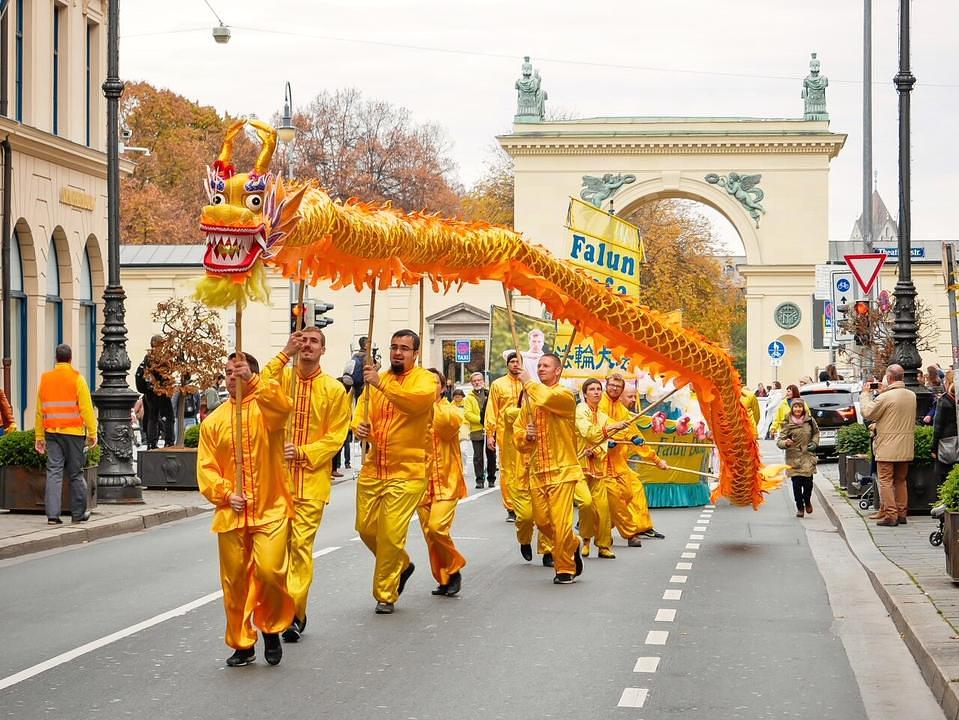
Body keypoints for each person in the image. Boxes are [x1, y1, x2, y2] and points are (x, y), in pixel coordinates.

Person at [196, 352, 294, 667]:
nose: (231, 377)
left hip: (271, 509)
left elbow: (282, 406)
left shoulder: (268, 411)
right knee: (234, 581)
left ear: (251, 374)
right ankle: (242, 643)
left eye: (237, 371)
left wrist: (254, 380)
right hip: (232, 514)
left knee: (269, 573)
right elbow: (206, 469)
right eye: (227, 372)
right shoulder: (213, 422)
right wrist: (225, 494)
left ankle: (271, 627)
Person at [261, 327, 352, 641]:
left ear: (323, 350)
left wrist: (303, 452)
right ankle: (281, 607)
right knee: (273, 556)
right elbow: (257, 385)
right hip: (275, 483)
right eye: (304, 340)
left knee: (300, 549)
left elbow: (336, 436)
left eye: (314, 341)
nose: (308, 345)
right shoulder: (283, 379)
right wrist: (285, 352)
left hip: (311, 483)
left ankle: (293, 614)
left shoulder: (333, 390)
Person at [352, 329, 435, 614]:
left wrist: (381, 385)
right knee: (365, 528)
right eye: (394, 347)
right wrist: (359, 426)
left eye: (404, 348)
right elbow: (362, 412)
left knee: (389, 534)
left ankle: (385, 593)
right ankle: (401, 564)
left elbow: (416, 404)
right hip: (374, 467)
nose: (397, 352)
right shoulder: (377, 379)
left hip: (407, 471)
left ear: (416, 353)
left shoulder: (425, 380)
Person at [514, 353, 584, 584]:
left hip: (562, 469)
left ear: (558, 371)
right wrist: (527, 436)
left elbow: (546, 399)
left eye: (546, 366)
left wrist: (527, 382)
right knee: (543, 523)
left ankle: (565, 568)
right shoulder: (530, 401)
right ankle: (572, 544)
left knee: (561, 523)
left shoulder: (564, 395)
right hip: (538, 472)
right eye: (539, 366)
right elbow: (518, 433)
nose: (541, 369)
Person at [34, 344, 97, 525]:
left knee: (53, 472)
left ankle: (52, 515)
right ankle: (77, 514)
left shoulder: (45, 379)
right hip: (74, 433)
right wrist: (93, 432)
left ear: (56, 358)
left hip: (52, 432)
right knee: (76, 473)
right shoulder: (77, 378)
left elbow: (39, 411)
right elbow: (86, 409)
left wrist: (39, 436)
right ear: (70, 359)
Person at [600, 373, 666, 543]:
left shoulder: (623, 412)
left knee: (631, 491)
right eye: (629, 396)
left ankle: (604, 524)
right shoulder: (598, 404)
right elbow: (593, 427)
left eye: (618, 386)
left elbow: (636, 439)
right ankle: (629, 533)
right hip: (598, 461)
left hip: (618, 463)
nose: (632, 400)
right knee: (613, 497)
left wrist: (657, 460)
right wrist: (606, 441)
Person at [418, 369, 467, 597]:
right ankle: (444, 578)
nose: (430, 386)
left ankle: (454, 569)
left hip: (447, 480)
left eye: (434, 382)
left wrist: (426, 408)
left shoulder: (451, 410)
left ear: (442, 387)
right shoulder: (411, 412)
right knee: (430, 535)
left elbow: (446, 429)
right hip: (420, 483)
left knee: (438, 527)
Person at [861, 364, 917, 527]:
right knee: (901, 480)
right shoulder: (911, 395)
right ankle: (901, 513)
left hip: (887, 446)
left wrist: (866, 394)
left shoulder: (885, 397)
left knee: (885, 480)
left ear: (889, 377)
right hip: (905, 445)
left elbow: (868, 412)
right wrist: (884, 391)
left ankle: (891, 515)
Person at [576, 379, 616, 559]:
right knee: (586, 504)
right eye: (592, 389)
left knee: (603, 508)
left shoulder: (603, 415)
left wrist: (629, 434)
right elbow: (588, 432)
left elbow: (607, 435)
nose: (596, 392)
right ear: (585, 394)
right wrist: (609, 431)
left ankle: (603, 545)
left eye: (599, 389)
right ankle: (585, 540)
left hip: (598, 466)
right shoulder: (580, 410)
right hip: (579, 465)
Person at [486, 352, 525, 517]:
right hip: (506, 434)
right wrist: (490, 433)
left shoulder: (528, 384)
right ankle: (511, 507)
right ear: (507, 364)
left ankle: (524, 504)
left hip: (525, 433)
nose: (515, 364)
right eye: (512, 361)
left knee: (524, 468)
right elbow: (492, 410)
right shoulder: (498, 385)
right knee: (508, 470)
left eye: (518, 361)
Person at [777, 398, 820, 518]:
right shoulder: (787, 422)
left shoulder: (810, 421)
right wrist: (786, 443)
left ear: (803, 408)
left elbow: (816, 433)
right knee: (796, 485)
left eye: (800, 407)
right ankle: (800, 507)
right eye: (795, 407)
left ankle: (807, 501)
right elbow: (780, 440)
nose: (797, 409)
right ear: (792, 408)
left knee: (808, 484)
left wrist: (814, 443)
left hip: (807, 457)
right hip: (793, 459)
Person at [136, 335, 174, 449]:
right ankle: (169, 441)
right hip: (159, 391)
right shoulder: (159, 358)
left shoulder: (147, 357)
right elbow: (163, 374)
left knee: (152, 416)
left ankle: (151, 443)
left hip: (149, 393)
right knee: (169, 416)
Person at [467, 372, 496, 488]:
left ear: (483, 381)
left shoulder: (490, 394)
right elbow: (467, 414)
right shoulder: (469, 397)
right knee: (478, 456)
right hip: (476, 430)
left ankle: (491, 478)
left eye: (479, 380)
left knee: (491, 455)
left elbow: (494, 409)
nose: (477, 383)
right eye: (474, 381)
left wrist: (489, 422)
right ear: (471, 383)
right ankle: (479, 480)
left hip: (490, 429)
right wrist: (482, 420)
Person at [932, 379, 957, 487]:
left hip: (946, 441)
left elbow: (938, 426)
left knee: (943, 472)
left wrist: (934, 447)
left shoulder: (943, 401)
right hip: (954, 438)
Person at [332, 374, 355, 477]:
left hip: (344, 426)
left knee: (340, 448)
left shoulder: (345, 397)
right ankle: (333, 469)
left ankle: (335, 468)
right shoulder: (338, 397)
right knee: (336, 449)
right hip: (337, 427)